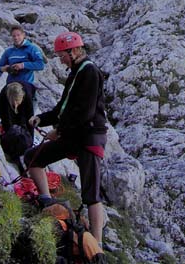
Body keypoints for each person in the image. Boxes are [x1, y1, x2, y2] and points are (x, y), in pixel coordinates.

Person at [24, 31, 107, 245]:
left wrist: (59, 131)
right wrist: (40, 119)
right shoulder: (76, 72)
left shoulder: (89, 72)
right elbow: (63, 108)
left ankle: (96, 248)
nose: (60, 59)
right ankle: (45, 201)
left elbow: (85, 113)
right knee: (33, 157)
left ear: (74, 51)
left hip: (88, 137)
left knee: (91, 195)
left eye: (62, 54)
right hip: (74, 135)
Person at [0, 24, 46, 101]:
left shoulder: (32, 48)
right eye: (13, 36)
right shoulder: (8, 52)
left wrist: (23, 65)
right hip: (11, 87)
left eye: (18, 35)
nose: (16, 38)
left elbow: (41, 65)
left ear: (23, 35)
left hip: (26, 86)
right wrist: (4, 69)